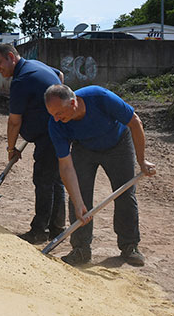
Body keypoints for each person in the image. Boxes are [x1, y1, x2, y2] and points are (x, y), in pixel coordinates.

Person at [44, 84, 157, 267]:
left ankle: (129, 245)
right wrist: (79, 202)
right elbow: (65, 166)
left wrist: (142, 160)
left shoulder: (99, 97)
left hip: (118, 144)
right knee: (78, 197)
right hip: (84, 148)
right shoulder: (56, 124)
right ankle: (80, 249)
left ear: (73, 103)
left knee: (125, 195)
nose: (56, 119)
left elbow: (135, 122)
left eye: (59, 113)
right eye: (52, 115)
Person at [0, 43, 66, 244]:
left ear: (10, 57)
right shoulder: (35, 65)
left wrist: (11, 148)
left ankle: (39, 231)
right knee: (54, 180)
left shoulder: (22, 80)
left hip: (49, 134)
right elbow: (59, 76)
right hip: (58, 130)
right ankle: (57, 227)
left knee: (43, 181)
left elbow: (14, 121)